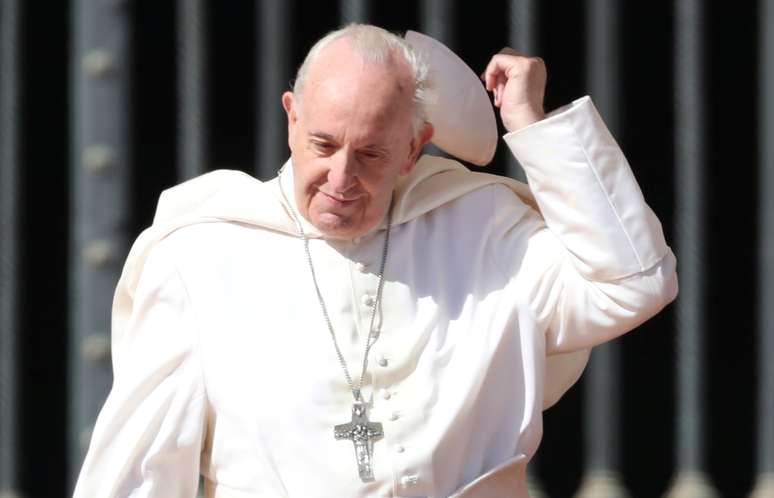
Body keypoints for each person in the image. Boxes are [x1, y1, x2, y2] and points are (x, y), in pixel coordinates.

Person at [73, 23, 678, 498]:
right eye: (324, 145)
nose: (341, 177)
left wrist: (530, 124)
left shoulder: (487, 230)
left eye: (370, 154)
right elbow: (139, 476)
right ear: (291, 117)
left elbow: (636, 281)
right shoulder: (201, 256)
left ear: (414, 147)